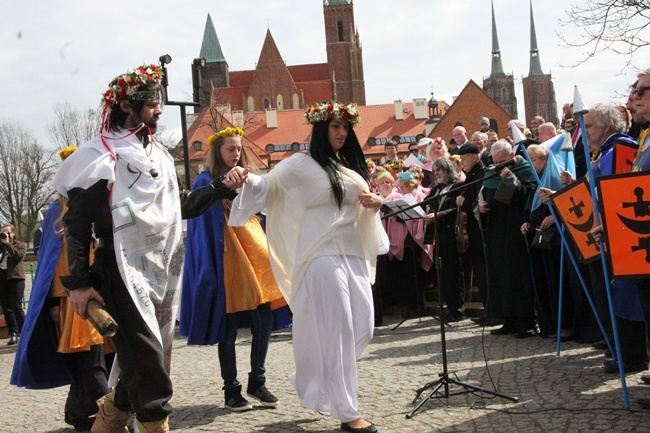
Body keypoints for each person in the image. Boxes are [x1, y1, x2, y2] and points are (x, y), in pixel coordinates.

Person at [51, 63, 245, 433]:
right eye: (152, 103)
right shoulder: (100, 155)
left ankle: (107, 421)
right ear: (127, 106)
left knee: (146, 357)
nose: (158, 110)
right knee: (151, 366)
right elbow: (76, 224)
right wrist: (77, 283)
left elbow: (179, 209)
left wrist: (222, 187)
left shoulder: (158, 153)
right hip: (119, 268)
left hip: (162, 266)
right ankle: (156, 423)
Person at [228, 101, 387, 433]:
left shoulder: (347, 164)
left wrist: (376, 203)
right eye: (335, 127)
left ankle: (313, 374)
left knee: (364, 326)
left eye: (346, 127)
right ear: (320, 128)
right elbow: (267, 187)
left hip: (352, 252)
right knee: (341, 327)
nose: (342, 133)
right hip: (319, 254)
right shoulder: (300, 164)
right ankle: (348, 414)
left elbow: (361, 203)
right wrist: (245, 178)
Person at [180, 126, 290, 412]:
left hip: (251, 252)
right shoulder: (206, 180)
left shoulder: (248, 177)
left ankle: (258, 381)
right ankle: (231, 390)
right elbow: (200, 221)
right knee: (226, 327)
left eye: (239, 149)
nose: (236, 153)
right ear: (218, 151)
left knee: (264, 316)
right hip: (225, 257)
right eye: (231, 148)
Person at [11, 146, 112, 431]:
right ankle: (102, 420)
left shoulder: (102, 206)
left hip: (105, 297)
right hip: (75, 304)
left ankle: (79, 413)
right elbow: (52, 267)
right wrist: (55, 305)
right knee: (91, 365)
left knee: (103, 361)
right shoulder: (57, 214)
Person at [480, 140, 538, 338]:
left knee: (518, 276)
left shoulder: (525, 171)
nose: (499, 166)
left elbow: (528, 198)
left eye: (503, 162)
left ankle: (526, 321)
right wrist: (482, 208)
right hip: (497, 230)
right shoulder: (490, 173)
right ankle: (508, 319)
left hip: (517, 229)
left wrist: (511, 179)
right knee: (501, 275)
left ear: (512, 156)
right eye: (496, 163)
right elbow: (486, 196)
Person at [424, 158, 464, 323]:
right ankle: (449, 307)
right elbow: (425, 203)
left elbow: (456, 208)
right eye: (434, 171)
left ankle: (457, 309)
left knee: (453, 273)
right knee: (444, 274)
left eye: (438, 170)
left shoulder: (458, 186)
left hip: (451, 235)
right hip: (439, 235)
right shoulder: (437, 188)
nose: (436, 174)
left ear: (447, 169)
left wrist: (438, 215)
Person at [0, 223, 27, 345]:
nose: (4, 235)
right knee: (6, 307)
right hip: (3, 278)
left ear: (13, 233)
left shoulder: (21, 245)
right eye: (2, 232)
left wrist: (7, 244)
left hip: (16, 278)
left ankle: (25, 332)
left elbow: (18, 256)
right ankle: (13, 334)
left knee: (16, 306)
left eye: (7, 232)